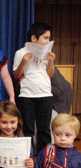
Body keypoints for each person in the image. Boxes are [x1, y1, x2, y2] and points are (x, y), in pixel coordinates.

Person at [13, 22, 56, 154]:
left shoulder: (47, 53)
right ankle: (28, 158)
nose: (47, 41)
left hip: (45, 95)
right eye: (45, 38)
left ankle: (44, 160)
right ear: (34, 38)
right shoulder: (20, 53)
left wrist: (50, 62)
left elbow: (50, 75)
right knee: (28, 129)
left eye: (49, 38)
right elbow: (16, 75)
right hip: (27, 96)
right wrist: (24, 62)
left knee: (44, 129)